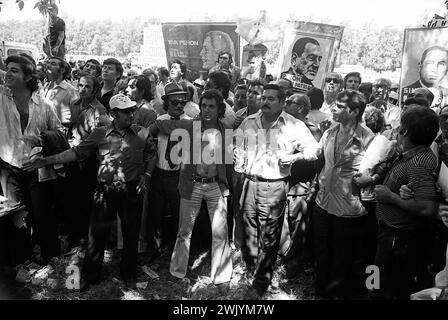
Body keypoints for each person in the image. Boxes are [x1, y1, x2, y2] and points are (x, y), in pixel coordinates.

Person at [23, 93, 158, 291]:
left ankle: (129, 274)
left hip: (131, 190)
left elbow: (152, 153)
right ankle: (90, 275)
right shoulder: (99, 134)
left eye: (132, 110)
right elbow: (76, 153)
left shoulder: (141, 133)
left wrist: (146, 175)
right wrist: (47, 160)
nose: (131, 114)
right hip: (104, 191)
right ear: (113, 114)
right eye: (126, 111)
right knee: (97, 234)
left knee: (131, 234)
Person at [234, 84, 320, 298]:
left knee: (270, 235)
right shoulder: (249, 121)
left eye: (271, 99)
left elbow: (314, 150)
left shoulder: (293, 125)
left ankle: (261, 282)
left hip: (274, 185)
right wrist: (237, 152)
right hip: (249, 182)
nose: (265, 101)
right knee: (249, 229)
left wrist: (294, 157)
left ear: (282, 103)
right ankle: (252, 269)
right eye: (264, 97)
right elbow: (237, 143)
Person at [150, 89, 233, 286]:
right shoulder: (189, 126)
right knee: (184, 230)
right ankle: (177, 271)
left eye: (211, 106)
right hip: (192, 184)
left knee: (220, 232)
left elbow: (226, 160)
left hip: (215, 186)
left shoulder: (224, 130)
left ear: (219, 109)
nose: (206, 110)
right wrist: (143, 131)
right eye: (203, 105)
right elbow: (161, 124)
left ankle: (221, 275)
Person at [0, 55, 63, 268]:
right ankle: (21, 259)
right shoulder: (1, 98)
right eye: (7, 69)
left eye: (14, 70)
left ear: (27, 77)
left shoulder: (44, 105)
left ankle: (51, 256)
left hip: (37, 168)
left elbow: (59, 132)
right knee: (16, 214)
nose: (8, 73)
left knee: (42, 213)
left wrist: (42, 138)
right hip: (9, 167)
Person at [372, 106, 440, 300]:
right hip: (390, 235)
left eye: (400, 127)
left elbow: (428, 208)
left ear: (405, 131)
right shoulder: (412, 154)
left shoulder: (418, 163)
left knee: (384, 285)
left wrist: (391, 197)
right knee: (376, 273)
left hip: (398, 240)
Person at [312, 90, 375, 299]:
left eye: (340, 107)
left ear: (355, 111)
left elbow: (379, 170)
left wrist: (372, 179)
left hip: (349, 208)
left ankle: (337, 293)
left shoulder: (368, 138)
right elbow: (319, 157)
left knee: (343, 256)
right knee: (322, 250)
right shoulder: (330, 131)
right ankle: (320, 289)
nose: (333, 109)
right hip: (323, 202)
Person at [145, 83, 191, 262]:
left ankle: (177, 251)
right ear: (166, 102)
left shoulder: (189, 121)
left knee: (178, 213)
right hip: (159, 171)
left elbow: (176, 127)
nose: (179, 105)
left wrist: (161, 126)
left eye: (182, 102)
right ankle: (154, 249)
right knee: (155, 213)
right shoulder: (160, 118)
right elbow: (148, 137)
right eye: (175, 102)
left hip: (178, 174)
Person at [280, 93, 322, 278]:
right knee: (282, 225)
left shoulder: (311, 129)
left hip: (301, 185)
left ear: (300, 108)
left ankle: (293, 264)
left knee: (297, 225)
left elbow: (318, 160)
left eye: (289, 101)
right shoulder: (281, 125)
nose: (285, 104)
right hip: (282, 182)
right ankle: (281, 259)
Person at [43, 56, 79, 127]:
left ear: (62, 70)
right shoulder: (45, 87)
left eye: (53, 64)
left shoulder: (71, 91)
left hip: (59, 133)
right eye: (48, 63)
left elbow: (76, 117)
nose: (48, 66)